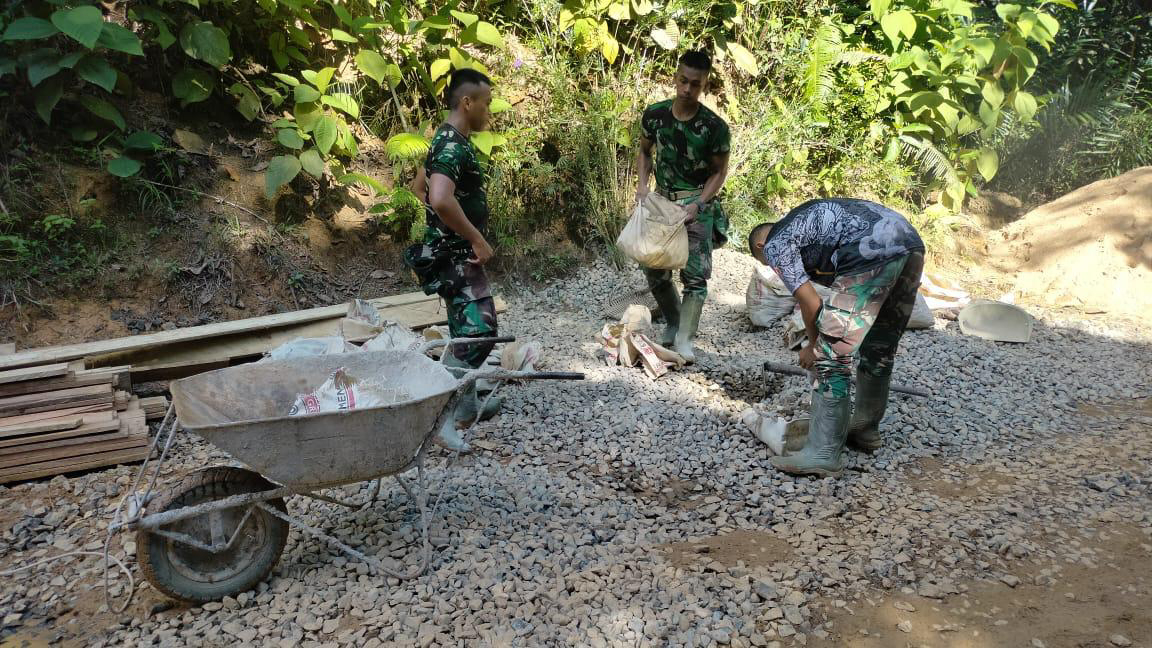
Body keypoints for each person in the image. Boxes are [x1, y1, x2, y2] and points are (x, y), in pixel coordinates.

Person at [748, 198, 925, 477]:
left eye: (767, 264)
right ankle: (865, 429)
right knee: (879, 347)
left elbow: (811, 302)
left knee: (832, 356)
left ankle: (822, 454)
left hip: (868, 249)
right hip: (909, 242)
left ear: (761, 247)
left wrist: (814, 345)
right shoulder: (802, 227)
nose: (774, 270)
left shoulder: (776, 244)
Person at [407, 69, 501, 452]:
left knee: (464, 328)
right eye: (486, 103)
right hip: (457, 257)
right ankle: (439, 419)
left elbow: (419, 188)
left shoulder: (445, 140)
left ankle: (466, 406)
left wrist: (439, 226)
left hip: (449, 253)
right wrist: (473, 237)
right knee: (482, 332)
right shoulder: (451, 146)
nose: (489, 111)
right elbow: (441, 199)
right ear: (467, 102)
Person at [635, 50, 731, 363]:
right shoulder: (655, 115)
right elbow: (645, 152)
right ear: (675, 78)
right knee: (654, 269)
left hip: (695, 203)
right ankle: (674, 321)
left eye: (695, 84)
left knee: (694, 277)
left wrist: (700, 203)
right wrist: (641, 186)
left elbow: (719, 171)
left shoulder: (713, 126)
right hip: (662, 200)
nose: (687, 89)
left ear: (704, 85)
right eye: (683, 81)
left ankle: (686, 339)